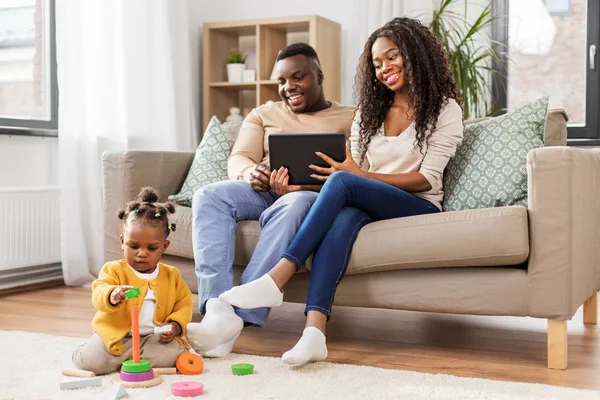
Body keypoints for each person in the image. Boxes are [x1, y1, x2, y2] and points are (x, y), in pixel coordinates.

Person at [219, 17, 464, 366]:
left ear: (416, 54)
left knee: (344, 182)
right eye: (377, 64)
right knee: (344, 215)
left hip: (419, 204)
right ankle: (314, 333)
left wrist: (358, 176)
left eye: (392, 57)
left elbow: (426, 178)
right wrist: (296, 187)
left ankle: (277, 277)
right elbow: (346, 181)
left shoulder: (444, 109)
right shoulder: (370, 112)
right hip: (367, 199)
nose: (384, 69)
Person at [186, 43, 355, 357]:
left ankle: (237, 311)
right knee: (208, 195)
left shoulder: (350, 117)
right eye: (281, 81)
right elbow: (239, 157)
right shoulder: (263, 113)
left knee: (296, 203)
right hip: (262, 192)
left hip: (309, 196)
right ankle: (216, 311)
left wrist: (299, 188)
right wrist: (251, 173)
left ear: (320, 76)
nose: (288, 87)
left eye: (298, 77)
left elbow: (357, 175)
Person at [72, 187, 192, 375]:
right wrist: (111, 294)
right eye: (133, 246)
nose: (142, 254)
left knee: (170, 357)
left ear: (165, 246)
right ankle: (93, 350)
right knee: (90, 363)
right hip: (117, 336)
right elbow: (99, 291)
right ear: (122, 241)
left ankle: (131, 360)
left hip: (152, 338)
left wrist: (176, 326)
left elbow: (183, 305)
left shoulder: (171, 275)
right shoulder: (113, 269)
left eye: (152, 248)